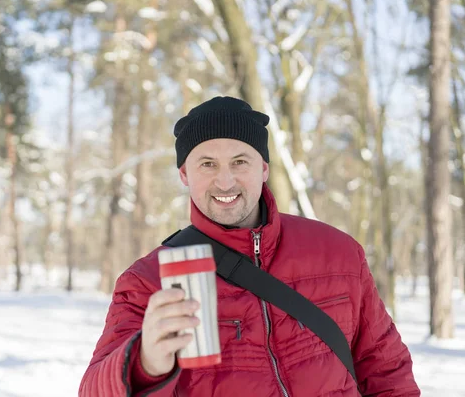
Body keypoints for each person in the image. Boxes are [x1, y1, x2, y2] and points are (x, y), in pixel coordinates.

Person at [79, 96, 420, 396]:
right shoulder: (146, 281)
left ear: (264, 168)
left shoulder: (339, 253)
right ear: (184, 174)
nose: (225, 181)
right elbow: (92, 389)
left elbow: (386, 370)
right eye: (207, 164)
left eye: (240, 161)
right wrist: (143, 363)